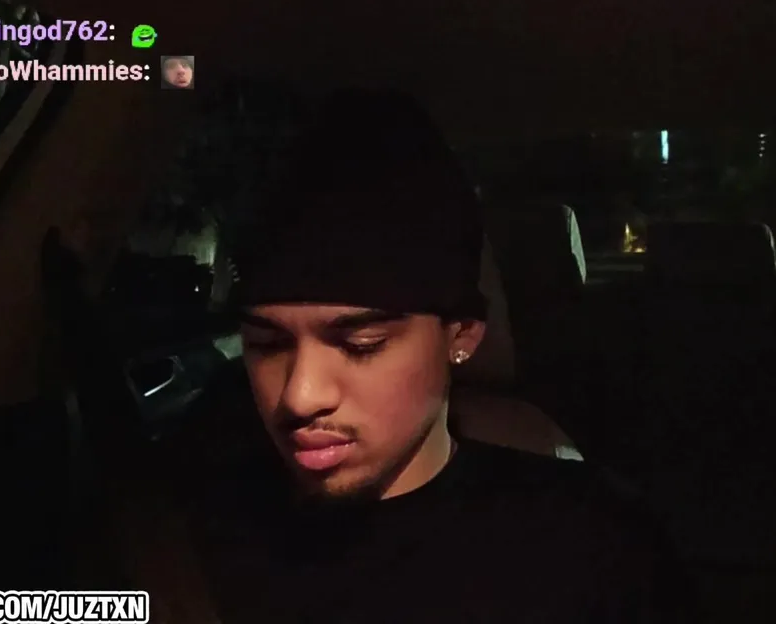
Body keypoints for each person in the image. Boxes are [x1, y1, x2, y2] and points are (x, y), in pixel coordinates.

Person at [188, 90, 691, 623]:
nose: (300, 395)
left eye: (362, 344)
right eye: (267, 343)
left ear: (462, 335)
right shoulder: (184, 540)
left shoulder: (593, 548)